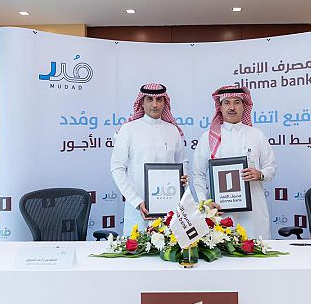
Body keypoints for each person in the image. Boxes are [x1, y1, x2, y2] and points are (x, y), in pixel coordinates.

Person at [192, 86, 276, 240]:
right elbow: (198, 175)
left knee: (257, 251)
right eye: (227, 103)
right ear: (220, 107)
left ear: (244, 106)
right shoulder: (208, 138)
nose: (232, 107)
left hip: (253, 214)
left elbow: (271, 167)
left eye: (237, 102)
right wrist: (204, 202)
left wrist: (260, 174)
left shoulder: (256, 135)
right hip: (221, 212)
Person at [110, 83, 188, 235]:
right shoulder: (128, 129)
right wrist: (136, 201)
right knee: (138, 248)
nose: (155, 104)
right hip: (138, 209)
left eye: (159, 99)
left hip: (169, 209)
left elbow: (182, 162)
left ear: (165, 102)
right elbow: (117, 168)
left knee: (169, 248)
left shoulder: (173, 130)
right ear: (142, 102)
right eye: (149, 99)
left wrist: (184, 178)